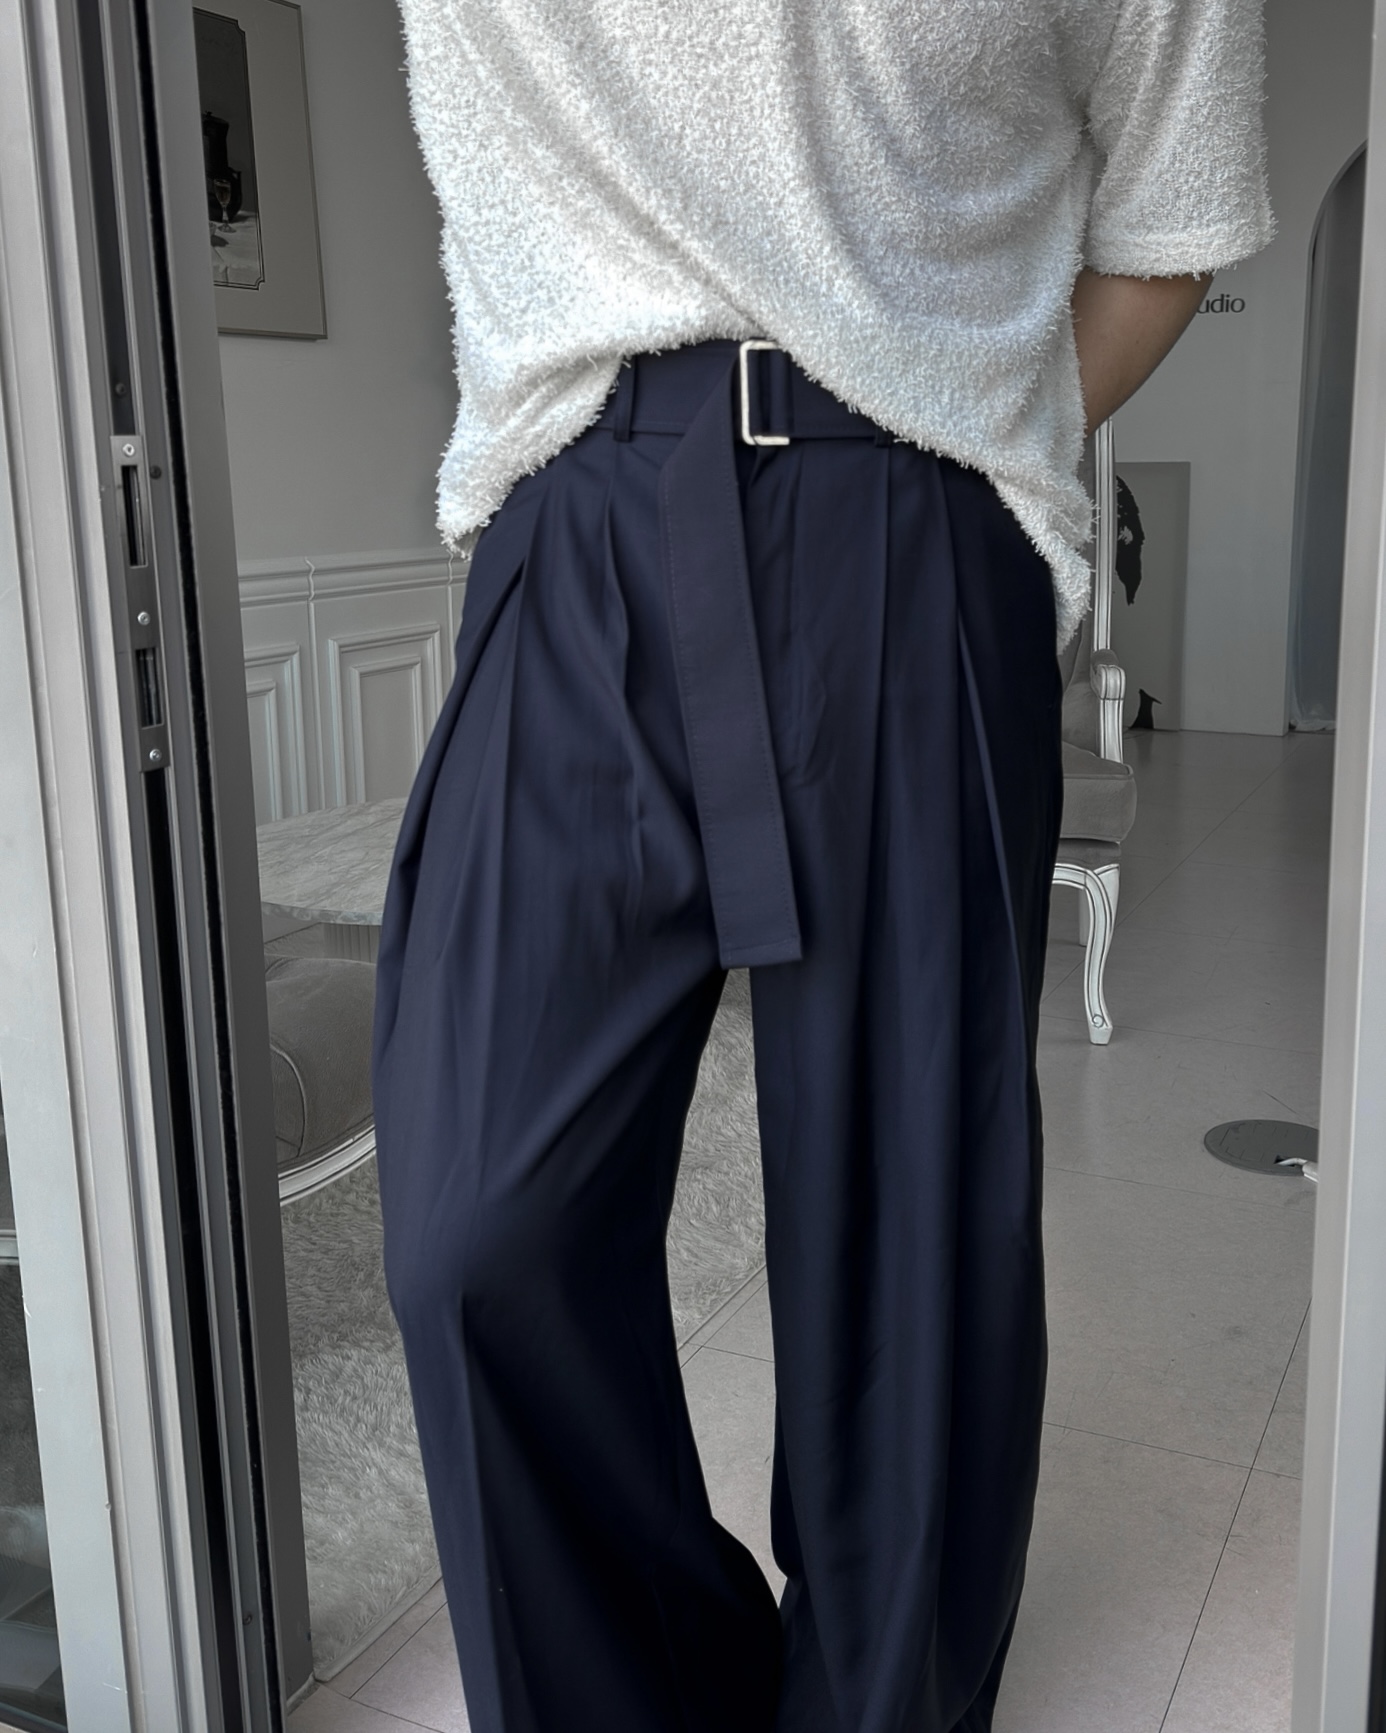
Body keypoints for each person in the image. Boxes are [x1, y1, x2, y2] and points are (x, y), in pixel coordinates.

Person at [370, 4, 1272, 1729]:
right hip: (571, 510)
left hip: (913, 515)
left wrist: (962, 423)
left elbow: (1172, 221)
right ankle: (654, 1683)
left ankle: (881, 1700)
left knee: (910, 1224)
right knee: (476, 1233)